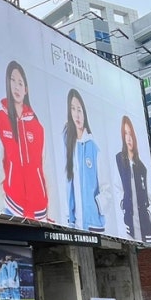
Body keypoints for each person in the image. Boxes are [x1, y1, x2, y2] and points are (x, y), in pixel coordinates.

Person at [0, 61, 49, 220]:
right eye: (13, 80)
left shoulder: (38, 126)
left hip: (40, 210)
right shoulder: (0, 118)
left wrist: (51, 213)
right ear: (7, 83)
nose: (16, 87)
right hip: (12, 207)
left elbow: (45, 168)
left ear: (26, 89)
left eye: (20, 83)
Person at [63, 89, 105, 232]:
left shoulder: (94, 147)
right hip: (74, 224)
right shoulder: (68, 143)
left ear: (84, 112)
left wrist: (97, 205)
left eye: (79, 109)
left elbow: (106, 188)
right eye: (73, 109)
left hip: (93, 225)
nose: (77, 114)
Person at [115, 116, 151, 243]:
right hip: (128, 226)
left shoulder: (142, 168)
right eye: (125, 133)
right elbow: (116, 188)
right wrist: (123, 204)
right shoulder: (119, 160)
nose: (128, 138)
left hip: (145, 228)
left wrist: (148, 213)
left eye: (130, 133)